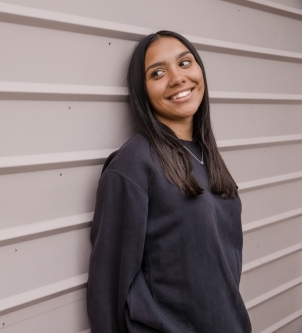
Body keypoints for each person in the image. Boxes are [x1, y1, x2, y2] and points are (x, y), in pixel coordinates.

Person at [87, 31, 252, 333]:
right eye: (158, 73)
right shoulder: (134, 163)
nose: (177, 78)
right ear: (142, 91)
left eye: (185, 63)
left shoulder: (207, 156)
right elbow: (107, 286)